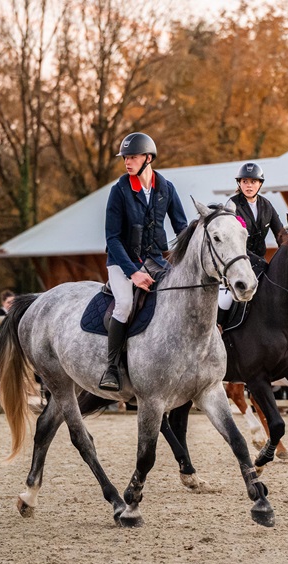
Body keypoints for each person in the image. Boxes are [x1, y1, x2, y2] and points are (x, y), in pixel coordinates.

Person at [100, 131, 189, 391]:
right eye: (125, 158)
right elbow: (112, 238)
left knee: (178, 295)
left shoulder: (166, 188)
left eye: (133, 157)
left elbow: (182, 228)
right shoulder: (120, 191)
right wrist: (133, 273)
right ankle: (112, 368)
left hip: (154, 259)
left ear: (148, 158)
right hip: (121, 261)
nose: (127, 162)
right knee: (125, 305)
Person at [229, 162, 283, 272]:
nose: (249, 185)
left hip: (260, 263)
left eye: (253, 182)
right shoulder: (232, 205)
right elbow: (232, 241)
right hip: (238, 263)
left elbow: (280, 234)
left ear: (260, 184)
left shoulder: (266, 205)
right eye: (245, 181)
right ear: (239, 183)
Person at [0, 289, 15, 397]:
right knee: (0, 372)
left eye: (13, 302)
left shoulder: (14, 314)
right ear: (3, 303)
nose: (11, 305)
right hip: (1, 347)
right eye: (8, 302)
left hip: (12, 348)